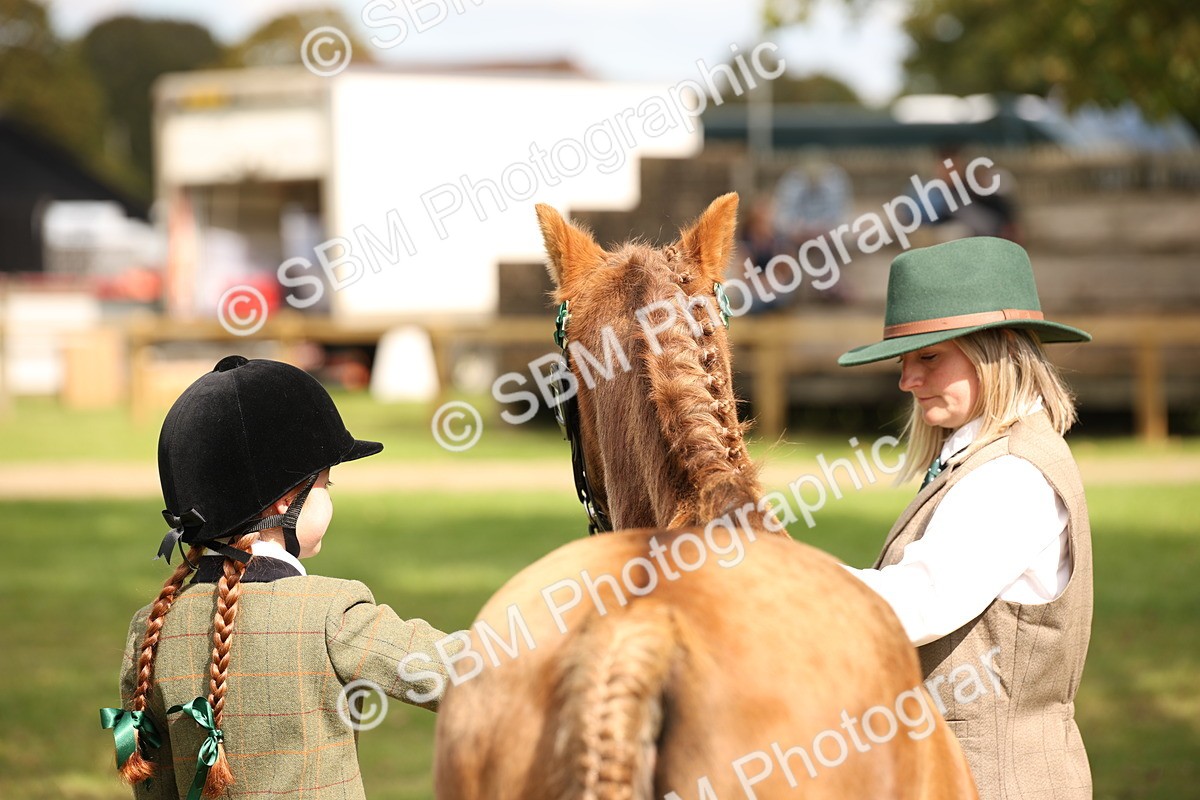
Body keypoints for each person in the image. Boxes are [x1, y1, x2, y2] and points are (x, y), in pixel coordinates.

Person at [99, 355, 454, 799]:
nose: (329, 496)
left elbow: (154, 786)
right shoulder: (331, 613)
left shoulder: (150, 630)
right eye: (326, 484)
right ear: (287, 500)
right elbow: (466, 674)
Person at [837, 237, 1094, 800]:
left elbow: (916, 604)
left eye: (929, 357)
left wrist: (782, 574)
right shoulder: (986, 457)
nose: (907, 379)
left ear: (997, 352)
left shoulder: (1012, 475)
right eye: (904, 361)